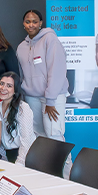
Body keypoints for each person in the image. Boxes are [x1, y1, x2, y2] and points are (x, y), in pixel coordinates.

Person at [17, 9, 72, 177]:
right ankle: (46, 175)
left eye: (35, 21)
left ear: (41, 23)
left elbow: (57, 70)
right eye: (28, 21)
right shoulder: (21, 47)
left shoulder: (50, 39)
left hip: (52, 98)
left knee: (55, 135)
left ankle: (69, 176)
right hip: (32, 97)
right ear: (23, 24)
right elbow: (22, 75)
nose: (31, 24)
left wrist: (50, 100)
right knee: (39, 136)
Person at [0, 72, 36, 165]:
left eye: (9, 86)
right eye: (1, 84)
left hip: (26, 156)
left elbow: (27, 140)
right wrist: (4, 160)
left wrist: (19, 164)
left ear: (15, 90)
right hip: (6, 156)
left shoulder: (23, 108)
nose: (3, 88)